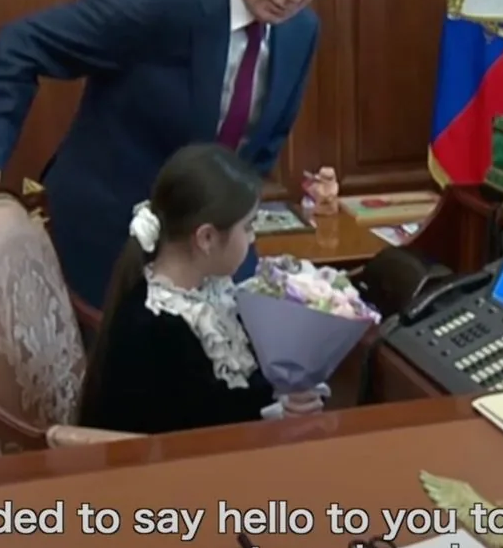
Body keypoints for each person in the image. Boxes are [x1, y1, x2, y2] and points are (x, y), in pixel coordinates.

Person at [0, 0, 341, 309]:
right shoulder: (160, 3)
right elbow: (22, 45)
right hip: (105, 249)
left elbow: (257, 155)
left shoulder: (301, 33)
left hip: (205, 255)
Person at [76, 144, 326, 434]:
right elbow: (199, 429)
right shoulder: (153, 328)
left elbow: (239, 390)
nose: (252, 237)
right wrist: (279, 417)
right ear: (206, 238)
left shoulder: (211, 290)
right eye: (247, 227)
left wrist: (289, 395)